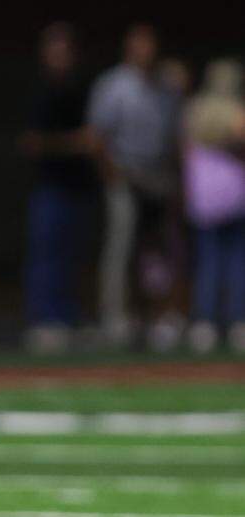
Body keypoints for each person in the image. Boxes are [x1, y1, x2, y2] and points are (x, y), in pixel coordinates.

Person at [87, 24, 181, 347]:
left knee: (157, 252)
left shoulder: (166, 86)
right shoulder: (114, 85)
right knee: (121, 249)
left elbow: (173, 137)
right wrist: (111, 174)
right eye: (139, 45)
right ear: (129, 49)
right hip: (124, 176)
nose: (145, 51)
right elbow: (97, 137)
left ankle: (157, 318)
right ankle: (115, 319)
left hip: (158, 178)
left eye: (150, 45)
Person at [18, 23, 96, 353]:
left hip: (79, 187)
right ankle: (44, 321)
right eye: (53, 50)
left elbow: (95, 139)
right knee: (46, 257)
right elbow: (31, 143)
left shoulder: (84, 90)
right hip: (49, 188)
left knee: (75, 256)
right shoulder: (39, 92)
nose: (58, 57)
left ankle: (70, 319)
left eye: (64, 51)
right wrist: (74, 143)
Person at [182, 58, 245, 353]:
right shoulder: (235, 110)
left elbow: (185, 149)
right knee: (234, 262)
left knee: (210, 262)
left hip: (205, 198)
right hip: (233, 197)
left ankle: (205, 324)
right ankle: (236, 323)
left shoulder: (195, 110)